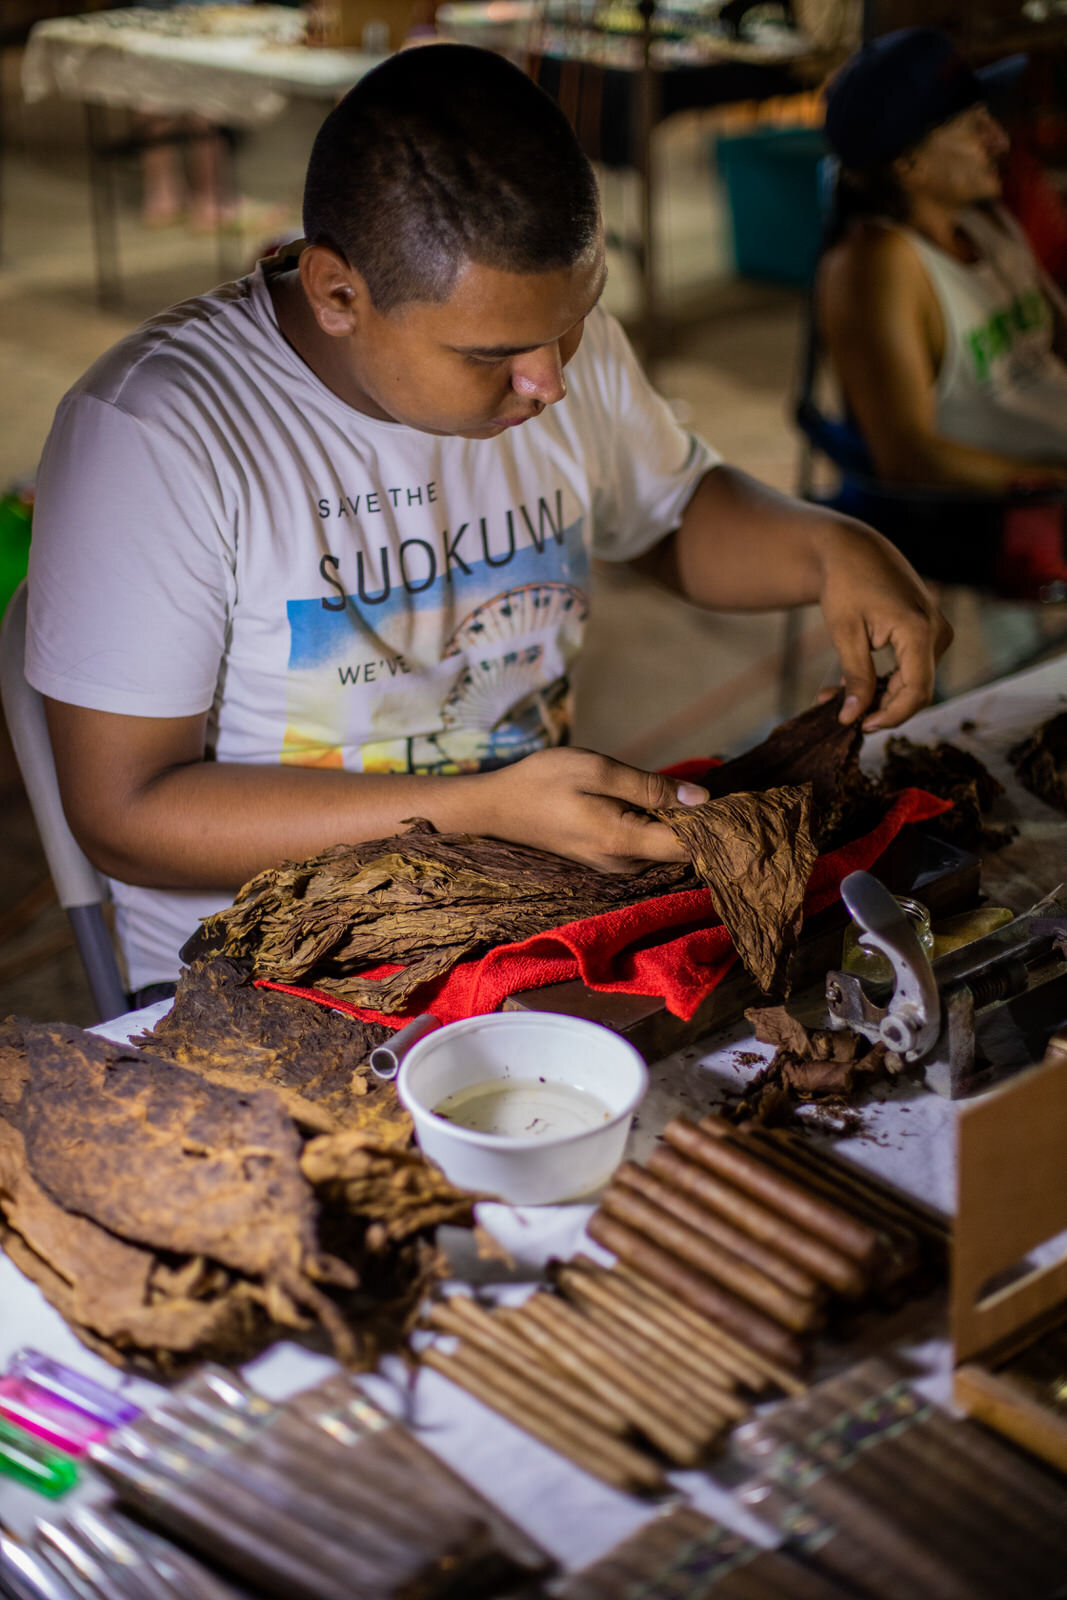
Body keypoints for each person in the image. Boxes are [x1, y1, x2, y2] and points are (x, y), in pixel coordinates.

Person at [25, 44, 949, 997]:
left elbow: (672, 517)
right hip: (269, 967)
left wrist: (834, 548)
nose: (548, 381)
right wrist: (475, 813)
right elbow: (126, 812)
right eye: (493, 354)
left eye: (575, 322)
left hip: (525, 913)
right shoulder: (157, 433)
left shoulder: (541, 345)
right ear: (339, 293)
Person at [818, 27, 1067, 497]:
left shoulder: (987, 225)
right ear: (909, 165)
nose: (999, 140)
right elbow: (910, 457)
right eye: (973, 128)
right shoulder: (879, 265)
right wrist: (1056, 483)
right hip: (1008, 513)